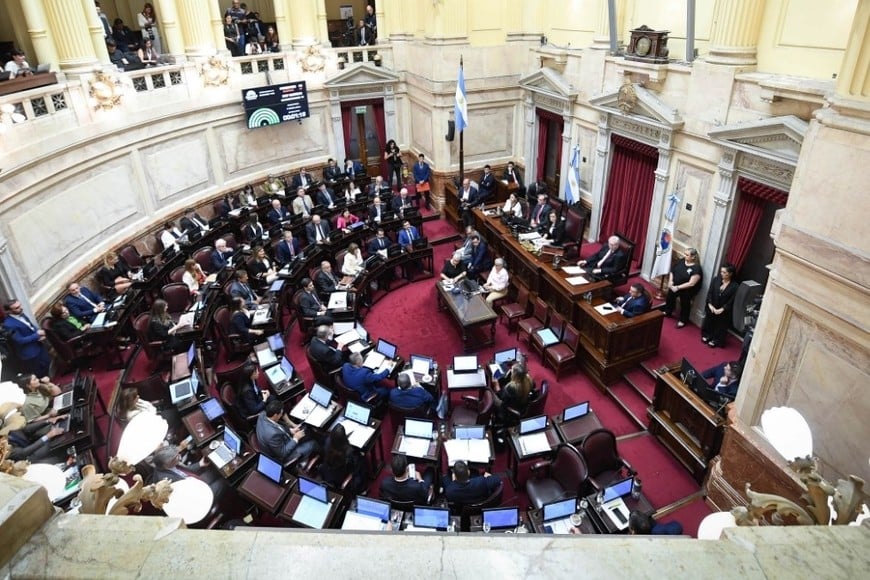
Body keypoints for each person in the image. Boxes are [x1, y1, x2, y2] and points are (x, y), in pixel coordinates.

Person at [255, 399, 318, 464]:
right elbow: (282, 453)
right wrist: (295, 438)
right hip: (283, 456)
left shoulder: (263, 414)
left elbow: (277, 425)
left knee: (307, 431)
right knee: (312, 444)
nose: (281, 415)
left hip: (283, 439)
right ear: (275, 415)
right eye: (281, 414)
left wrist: (290, 430)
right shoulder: (272, 435)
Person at [3, 299, 52, 377]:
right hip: (30, 353)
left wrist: (39, 335)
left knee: (48, 366)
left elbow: (31, 327)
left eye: (20, 305)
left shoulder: (21, 314)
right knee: (40, 375)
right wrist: (36, 335)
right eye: (16, 307)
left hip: (38, 345)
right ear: (8, 311)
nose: (20, 308)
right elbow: (19, 340)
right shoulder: (8, 324)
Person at [663, 248, 703, 328]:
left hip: (686, 290)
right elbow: (672, 271)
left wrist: (678, 287)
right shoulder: (681, 261)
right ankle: (668, 311)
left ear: (693, 257)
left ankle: (683, 320)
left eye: (687, 255)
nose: (684, 256)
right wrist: (671, 281)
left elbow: (691, 283)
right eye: (685, 254)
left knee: (685, 305)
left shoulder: (697, 268)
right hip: (674, 285)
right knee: (670, 298)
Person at [701, 264, 738, 347]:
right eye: (721, 271)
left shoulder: (735, 286)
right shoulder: (716, 280)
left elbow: (731, 301)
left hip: (723, 310)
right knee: (709, 322)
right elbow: (710, 293)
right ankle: (707, 335)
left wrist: (722, 309)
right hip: (712, 306)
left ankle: (715, 340)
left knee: (720, 325)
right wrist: (710, 305)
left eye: (724, 272)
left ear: (730, 274)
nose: (722, 273)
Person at [319, 424, 363, 493]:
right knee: (361, 461)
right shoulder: (349, 451)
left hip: (328, 473)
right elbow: (353, 466)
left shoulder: (327, 442)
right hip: (341, 478)